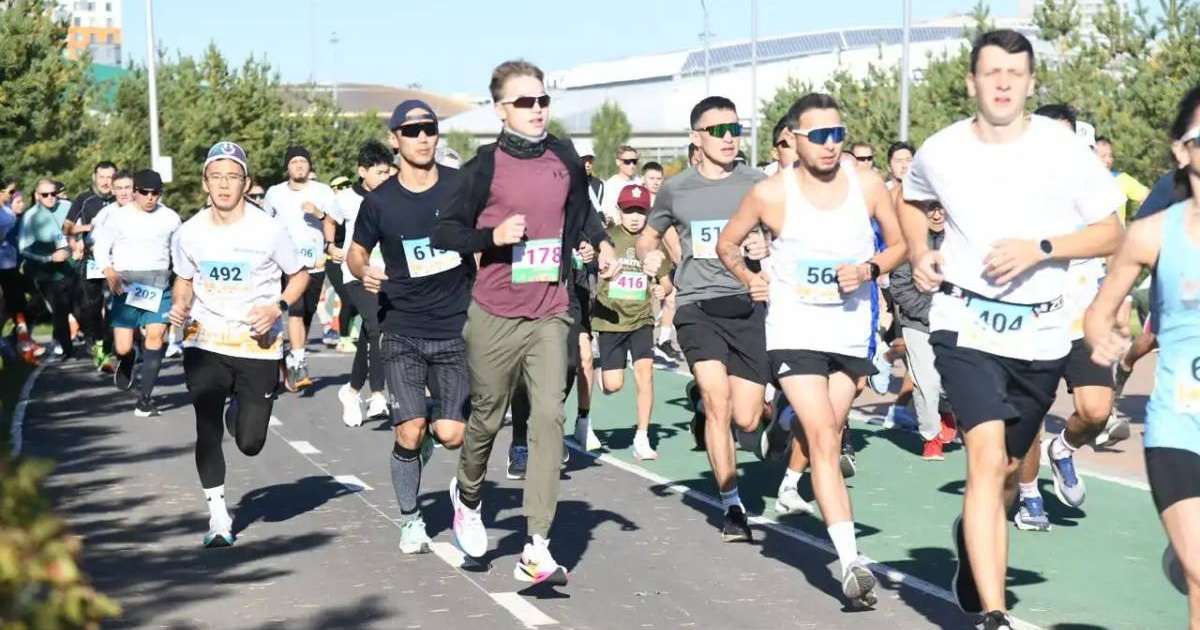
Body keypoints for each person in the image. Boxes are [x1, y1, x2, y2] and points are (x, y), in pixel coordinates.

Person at [898, 30, 1123, 630]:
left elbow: (1111, 232)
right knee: (984, 458)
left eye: (1014, 73)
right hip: (964, 323)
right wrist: (920, 250)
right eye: (991, 72)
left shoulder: (1062, 149)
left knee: (1002, 475)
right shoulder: (941, 149)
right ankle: (995, 616)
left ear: (1029, 83)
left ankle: (973, 546)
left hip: (1041, 334)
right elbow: (910, 200)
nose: (1002, 83)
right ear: (972, 82)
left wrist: (1043, 249)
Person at [720, 93, 906, 608]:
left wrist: (869, 270)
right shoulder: (770, 194)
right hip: (795, 331)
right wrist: (749, 277)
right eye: (819, 136)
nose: (830, 145)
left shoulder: (866, 184)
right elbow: (727, 245)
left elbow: (899, 246)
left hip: (850, 333)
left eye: (838, 134)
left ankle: (783, 426)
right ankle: (850, 562)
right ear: (795, 140)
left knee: (828, 429)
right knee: (824, 436)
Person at [433, 60, 614, 584]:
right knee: (486, 417)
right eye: (525, 102)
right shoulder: (483, 167)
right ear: (500, 109)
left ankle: (537, 544)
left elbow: (581, 213)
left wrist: (598, 244)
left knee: (548, 419)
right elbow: (445, 232)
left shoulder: (562, 155)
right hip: (494, 311)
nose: (537, 110)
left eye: (543, 100)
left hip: (551, 308)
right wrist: (492, 238)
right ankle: (467, 495)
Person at [1084, 85, 1200, 629]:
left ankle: (1183, 556)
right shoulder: (1153, 234)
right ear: (1183, 151)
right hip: (1180, 420)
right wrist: (1102, 334)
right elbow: (1100, 311)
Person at [637, 95, 769, 542]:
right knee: (717, 399)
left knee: (748, 419)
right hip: (696, 304)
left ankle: (746, 428)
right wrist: (650, 259)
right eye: (717, 131)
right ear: (697, 137)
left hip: (749, 302)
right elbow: (647, 237)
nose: (729, 138)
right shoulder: (677, 189)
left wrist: (765, 247)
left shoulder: (758, 182)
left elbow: (782, 235)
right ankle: (731, 503)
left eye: (735, 129)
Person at [170, 141, 309, 548]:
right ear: (205, 183)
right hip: (205, 340)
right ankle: (218, 517)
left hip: (256, 344)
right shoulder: (189, 232)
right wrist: (180, 305)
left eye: (233, 176)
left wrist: (278, 306)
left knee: (250, 442)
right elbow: (183, 279)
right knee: (206, 425)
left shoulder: (268, 229)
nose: (225, 185)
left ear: (246, 183)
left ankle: (241, 411)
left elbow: (298, 275)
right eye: (217, 176)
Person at [348, 101, 470, 554]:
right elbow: (355, 254)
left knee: (452, 435)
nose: (422, 137)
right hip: (401, 328)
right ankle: (410, 518)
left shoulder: (462, 187)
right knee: (409, 428)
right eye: (412, 130)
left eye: (429, 129)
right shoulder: (380, 201)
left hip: (457, 327)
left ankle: (426, 448)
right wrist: (364, 271)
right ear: (395, 138)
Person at [1006, 104, 1120, 531]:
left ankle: (1064, 449)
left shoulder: (1094, 192)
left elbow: (1117, 248)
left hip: (1083, 321)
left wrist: (1116, 305)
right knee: (1029, 417)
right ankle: (1031, 496)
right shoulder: (1013, 190)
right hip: (1032, 322)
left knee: (1096, 412)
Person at [593, 184, 673, 460]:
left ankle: (642, 436)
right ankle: (600, 375)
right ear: (619, 211)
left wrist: (664, 290)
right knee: (613, 385)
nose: (635, 217)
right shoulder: (606, 239)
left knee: (645, 376)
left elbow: (666, 281)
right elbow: (592, 266)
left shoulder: (651, 243)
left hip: (641, 319)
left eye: (640, 211)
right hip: (611, 321)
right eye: (629, 211)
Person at [93, 169, 180, 416]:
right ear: (135, 192)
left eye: (156, 193)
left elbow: (180, 252)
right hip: (127, 285)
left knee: (155, 337)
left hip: (158, 284)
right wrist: (109, 271)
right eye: (144, 193)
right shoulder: (117, 217)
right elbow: (101, 247)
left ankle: (145, 399)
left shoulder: (171, 218)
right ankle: (128, 359)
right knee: (122, 346)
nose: (150, 198)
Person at [263, 145, 336, 390]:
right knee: (295, 309)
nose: (299, 166)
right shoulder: (275, 193)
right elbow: (264, 222)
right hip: (287, 266)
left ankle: (291, 357)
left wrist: (319, 214)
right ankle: (300, 362)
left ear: (309, 166)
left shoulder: (322, 191)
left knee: (306, 315)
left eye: (303, 162)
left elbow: (334, 221)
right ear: (287, 167)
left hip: (315, 263)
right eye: (294, 162)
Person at [890, 199, 956, 460]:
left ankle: (947, 407)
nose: (937, 215)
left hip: (956, 323)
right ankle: (931, 437)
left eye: (941, 208)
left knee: (953, 382)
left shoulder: (961, 240)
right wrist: (929, 313)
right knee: (925, 382)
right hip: (918, 322)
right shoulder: (910, 242)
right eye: (931, 209)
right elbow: (900, 287)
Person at [332, 142, 393, 426]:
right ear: (362, 172)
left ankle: (352, 391)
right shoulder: (345, 199)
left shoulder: (394, 196)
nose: (385, 177)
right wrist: (330, 246)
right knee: (376, 326)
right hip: (355, 275)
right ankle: (379, 394)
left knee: (371, 332)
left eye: (388, 171)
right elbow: (330, 224)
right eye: (379, 172)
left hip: (387, 275)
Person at [63, 161, 116, 364]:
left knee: (116, 306)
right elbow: (66, 228)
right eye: (101, 177)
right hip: (92, 260)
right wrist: (88, 227)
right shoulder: (84, 199)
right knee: (91, 307)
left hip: (116, 261)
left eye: (110, 177)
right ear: (94, 177)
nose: (105, 182)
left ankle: (111, 346)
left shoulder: (121, 198)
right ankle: (97, 341)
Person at [18, 178, 74, 359]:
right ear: (37, 196)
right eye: (45, 194)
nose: (51, 197)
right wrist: (49, 258)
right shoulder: (30, 216)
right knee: (59, 310)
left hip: (71, 268)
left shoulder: (67, 207)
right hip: (46, 274)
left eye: (53, 194)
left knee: (82, 308)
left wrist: (79, 245)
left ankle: (95, 343)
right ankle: (67, 349)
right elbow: (23, 249)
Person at [1095, 137, 1150, 224]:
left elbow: (1149, 196)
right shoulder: (1080, 182)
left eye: (1110, 156)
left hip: (1118, 236)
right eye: (1103, 156)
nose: (1108, 160)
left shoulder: (1122, 179)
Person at [600, 145, 641, 225]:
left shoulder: (639, 182)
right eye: (627, 162)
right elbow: (609, 213)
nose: (632, 165)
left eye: (634, 161)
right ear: (618, 162)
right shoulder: (611, 185)